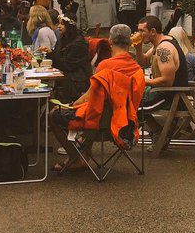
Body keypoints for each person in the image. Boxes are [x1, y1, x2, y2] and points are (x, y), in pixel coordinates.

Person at [49, 23, 144, 173]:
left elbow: (89, 97)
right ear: (130, 42)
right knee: (97, 108)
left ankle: (74, 158)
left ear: (110, 41)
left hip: (98, 121)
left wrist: (71, 105)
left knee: (54, 114)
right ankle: (83, 158)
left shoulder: (105, 66)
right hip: (125, 122)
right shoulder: (137, 70)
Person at [135, 15, 185, 113]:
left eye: (142, 31)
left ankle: (155, 126)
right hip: (164, 95)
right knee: (132, 103)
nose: (139, 34)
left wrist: (143, 81)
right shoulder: (159, 44)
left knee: (131, 109)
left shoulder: (164, 48)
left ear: (153, 31)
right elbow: (144, 62)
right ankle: (154, 125)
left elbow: (167, 81)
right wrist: (138, 48)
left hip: (171, 98)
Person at [51, 14, 91, 103]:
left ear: (69, 26)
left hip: (77, 80)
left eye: (62, 24)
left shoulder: (79, 44)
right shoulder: (63, 40)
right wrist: (50, 53)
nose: (59, 26)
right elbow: (59, 59)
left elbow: (67, 65)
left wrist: (51, 54)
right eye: (59, 23)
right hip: (67, 75)